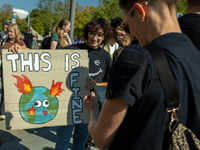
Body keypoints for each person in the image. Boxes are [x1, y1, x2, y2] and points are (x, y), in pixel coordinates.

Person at [83, 0, 200, 150]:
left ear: (140, 11)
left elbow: (101, 138)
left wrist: (93, 111)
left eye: (126, 25)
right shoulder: (195, 54)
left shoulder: (136, 58)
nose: (131, 33)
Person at [8, 17, 112, 150]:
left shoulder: (105, 56)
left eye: (100, 35)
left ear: (104, 36)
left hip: (89, 107)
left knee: (80, 144)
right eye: (92, 33)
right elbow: (46, 58)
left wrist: (96, 84)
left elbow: (109, 83)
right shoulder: (72, 49)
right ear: (87, 33)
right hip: (67, 106)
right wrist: (23, 49)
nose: (95, 38)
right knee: (62, 143)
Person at [0, 23, 25, 120]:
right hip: (5, 69)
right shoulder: (4, 42)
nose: (9, 33)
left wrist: (21, 48)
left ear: (16, 32)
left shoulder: (21, 43)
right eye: (8, 31)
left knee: (16, 90)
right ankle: (2, 111)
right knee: (5, 89)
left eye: (11, 31)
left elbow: (28, 53)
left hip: (16, 71)